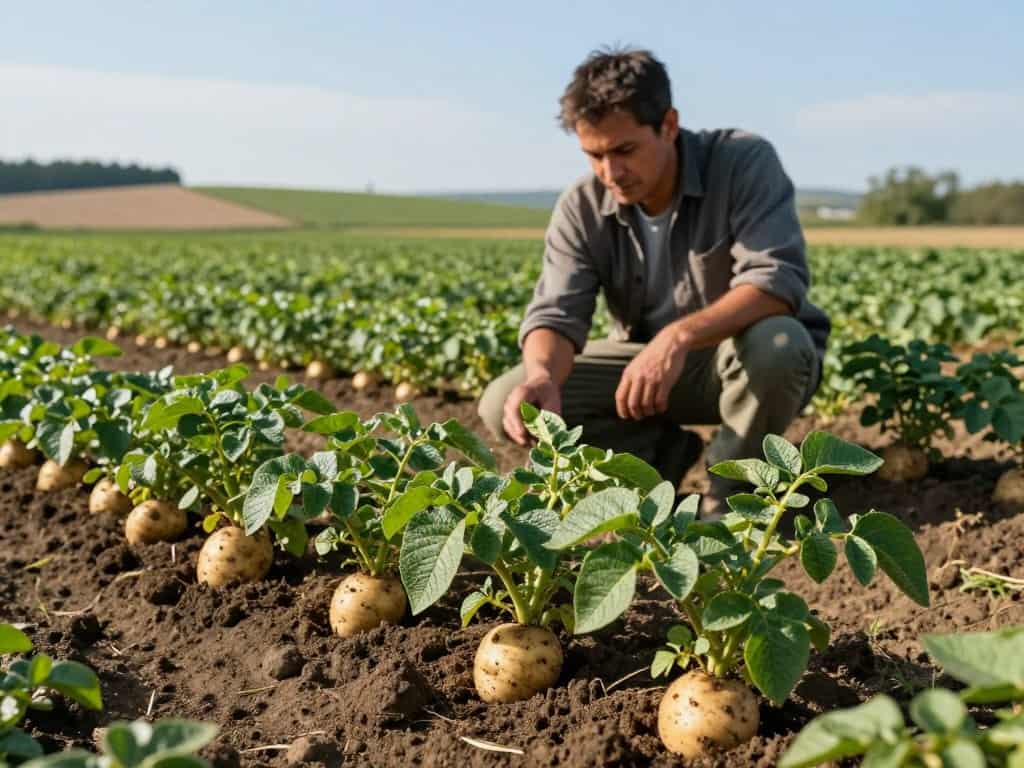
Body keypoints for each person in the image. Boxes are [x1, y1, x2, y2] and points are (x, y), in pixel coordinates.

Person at [477, 47, 830, 516]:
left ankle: (732, 498)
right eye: (594, 155)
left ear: (668, 125)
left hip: (739, 359)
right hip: (642, 374)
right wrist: (543, 374)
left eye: (624, 150)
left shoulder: (743, 163)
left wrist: (677, 337)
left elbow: (776, 280)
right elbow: (556, 315)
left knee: (779, 344)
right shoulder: (582, 206)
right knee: (507, 401)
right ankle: (658, 459)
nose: (610, 172)